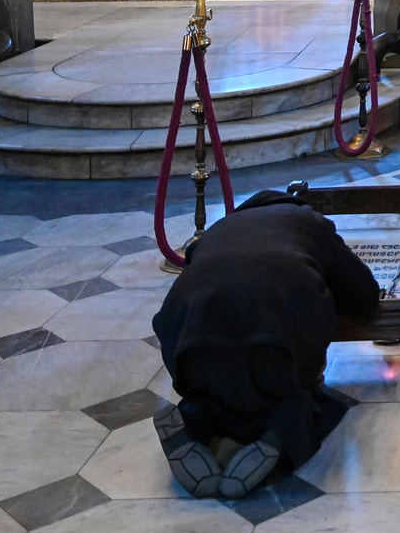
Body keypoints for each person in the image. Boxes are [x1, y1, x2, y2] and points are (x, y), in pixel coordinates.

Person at [151, 190, 380, 499]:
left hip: (184, 340)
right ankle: (278, 438)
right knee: (298, 400)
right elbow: (364, 296)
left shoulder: (220, 228)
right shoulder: (307, 221)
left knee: (214, 394)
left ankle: (191, 419)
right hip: (271, 339)